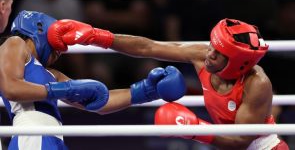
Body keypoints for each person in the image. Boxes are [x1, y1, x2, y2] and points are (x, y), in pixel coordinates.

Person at [47, 18, 289, 149]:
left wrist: (194, 129)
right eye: (212, 46)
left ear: (238, 62)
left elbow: (240, 141)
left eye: (218, 53)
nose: (209, 54)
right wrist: (97, 37)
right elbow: (148, 47)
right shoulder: (202, 54)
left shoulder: (257, 84)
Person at [0, 10, 186, 150]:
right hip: (32, 135)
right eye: (56, 44)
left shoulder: (52, 75)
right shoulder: (15, 44)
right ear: (39, 29)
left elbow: (100, 102)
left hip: (53, 138)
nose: (59, 52)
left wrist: (146, 90)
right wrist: (62, 90)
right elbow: (11, 88)